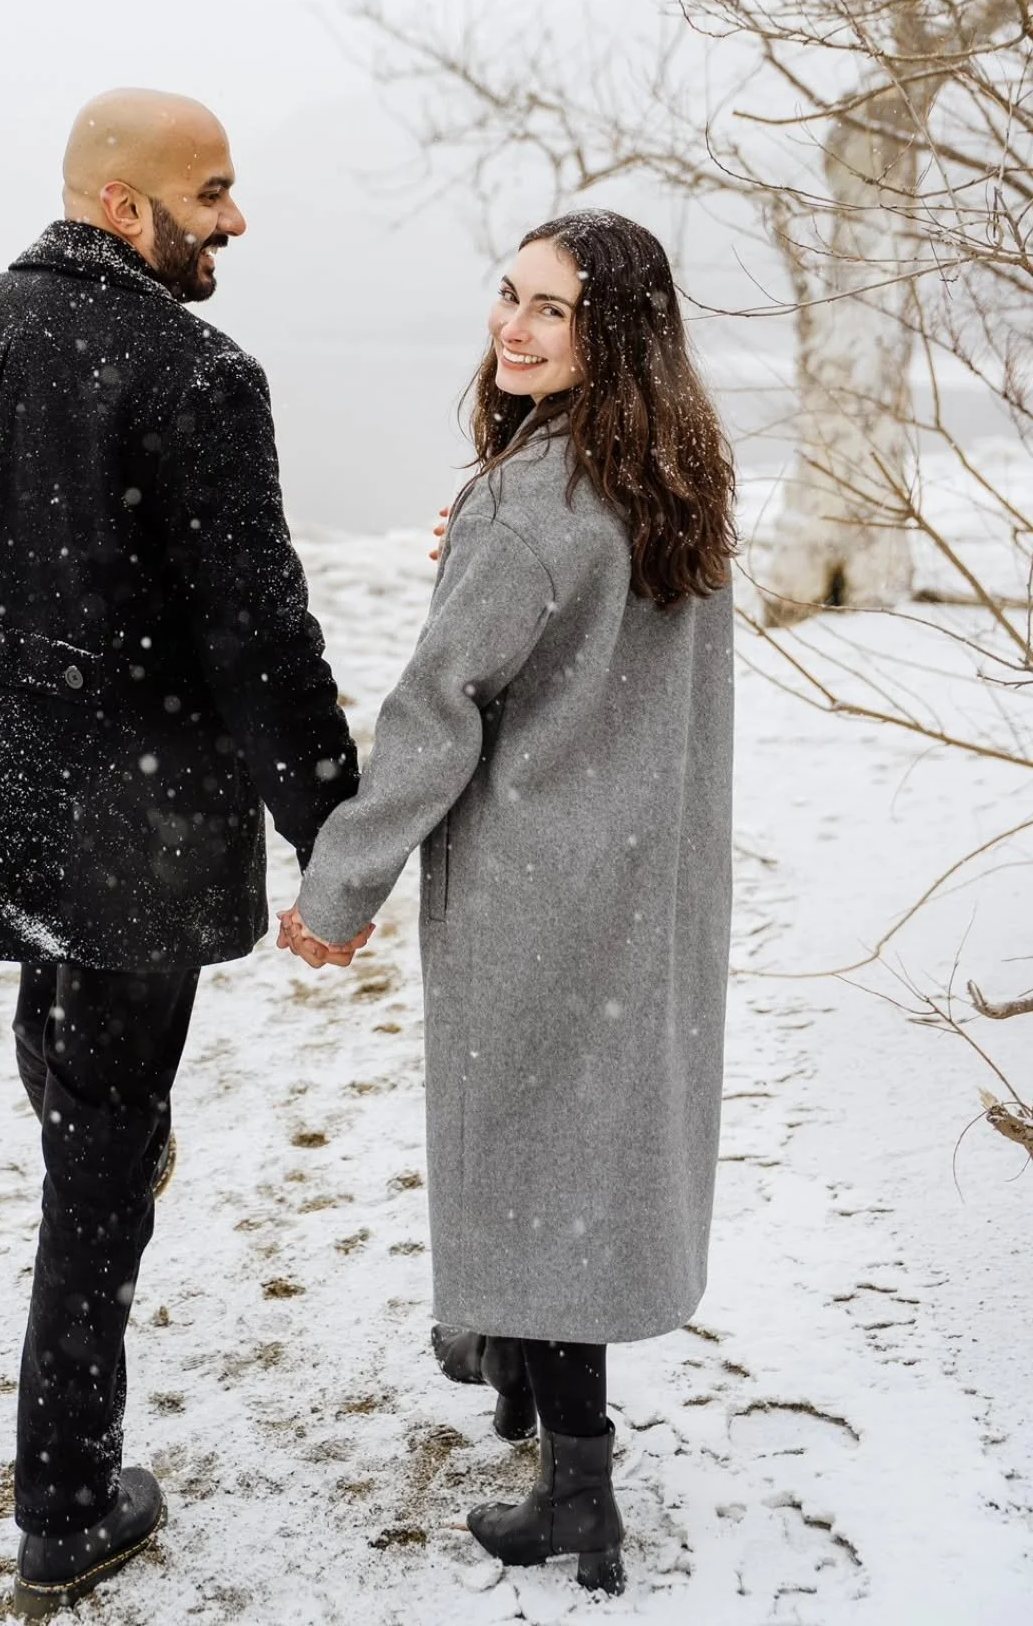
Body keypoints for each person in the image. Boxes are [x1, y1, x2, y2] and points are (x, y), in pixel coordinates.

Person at [0, 89, 369, 1616]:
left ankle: (96, 1122)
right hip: (126, 834)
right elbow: (257, 631)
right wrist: (334, 819)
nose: (232, 222)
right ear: (114, 199)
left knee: (81, 1081)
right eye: (208, 193)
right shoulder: (196, 370)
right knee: (99, 1165)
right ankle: (68, 1499)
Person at [279, 208, 737, 1597]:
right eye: (509, 295)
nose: (514, 326)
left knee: (541, 1150)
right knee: (580, 1138)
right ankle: (519, 1369)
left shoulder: (538, 504)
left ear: (614, 337)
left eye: (552, 311)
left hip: (539, 878)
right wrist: (495, 507)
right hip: (644, 870)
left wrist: (339, 884)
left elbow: (435, 712)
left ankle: (577, 1485)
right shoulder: (670, 475)